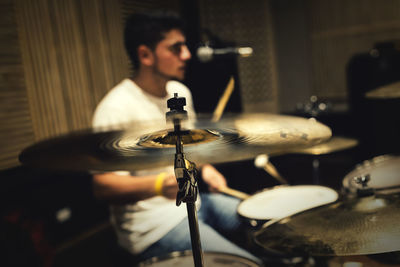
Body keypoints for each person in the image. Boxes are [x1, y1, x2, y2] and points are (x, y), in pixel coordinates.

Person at [91, 11, 261, 265]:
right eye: (176, 48)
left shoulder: (180, 92)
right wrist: (159, 185)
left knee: (265, 223)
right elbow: (103, 186)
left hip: (197, 204)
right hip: (154, 227)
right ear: (145, 55)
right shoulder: (116, 108)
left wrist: (208, 170)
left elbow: (189, 148)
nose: (187, 55)